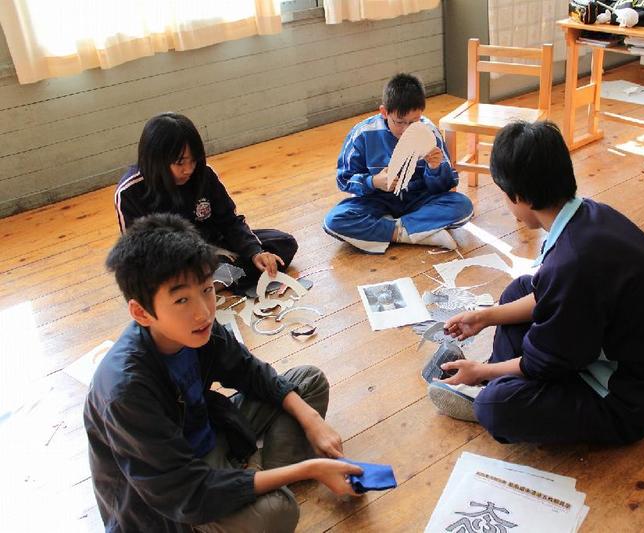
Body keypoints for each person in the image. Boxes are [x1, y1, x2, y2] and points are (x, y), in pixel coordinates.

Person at [84, 213, 361, 532]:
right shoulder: (126, 391)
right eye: (181, 299)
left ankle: (251, 480)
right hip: (176, 492)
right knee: (278, 514)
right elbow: (186, 494)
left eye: (206, 289)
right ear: (141, 312)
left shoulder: (196, 327)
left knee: (308, 382)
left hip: (209, 430)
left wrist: (311, 420)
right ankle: (254, 482)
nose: (203, 312)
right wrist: (308, 469)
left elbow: (249, 371)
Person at [427, 121, 644, 445]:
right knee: (520, 289)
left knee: (495, 408)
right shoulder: (589, 214)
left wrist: (482, 371)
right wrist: (485, 316)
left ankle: (492, 387)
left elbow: (545, 360)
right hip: (617, 356)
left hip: (629, 400)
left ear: (519, 197)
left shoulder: (572, 263)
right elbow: (549, 295)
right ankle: (499, 380)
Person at [115, 112, 297, 291]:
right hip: (172, 260)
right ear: (156, 160)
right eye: (180, 163)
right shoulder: (130, 192)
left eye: (194, 160)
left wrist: (255, 252)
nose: (189, 169)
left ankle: (210, 284)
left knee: (283, 243)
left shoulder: (204, 174)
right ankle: (210, 282)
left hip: (213, 247)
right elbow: (139, 253)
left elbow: (229, 221)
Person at [323, 73, 473, 254]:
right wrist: (373, 182)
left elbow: (446, 186)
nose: (406, 130)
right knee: (334, 220)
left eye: (414, 122)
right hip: (376, 201)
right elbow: (344, 179)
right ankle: (416, 233)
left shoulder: (429, 132)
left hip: (419, 200)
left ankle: (389, 230)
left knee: (463, 206)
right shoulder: (362, 134)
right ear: (384, 112)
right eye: (400, 122)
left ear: (421, 114)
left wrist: (435, 169)